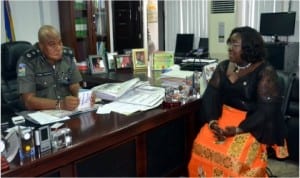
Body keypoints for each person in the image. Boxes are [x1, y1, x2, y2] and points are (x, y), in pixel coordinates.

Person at [188, 26, 289, 177]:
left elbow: (266, 111)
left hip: (252, 123)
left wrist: (238, 130)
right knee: (200, 146)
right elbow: (211, 96)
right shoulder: (223, 67)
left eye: (235, 45)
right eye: (230, 44)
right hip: (223, 118)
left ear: (248, 48)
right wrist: (212, 122)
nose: (230, 48)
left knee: (232, 160)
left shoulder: (265, 72)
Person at [17, 25, 94, 111]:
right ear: (41, 46)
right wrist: (60, 104)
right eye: (52, 44)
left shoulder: (67, 56)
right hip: (41, 114)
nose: (58, 48)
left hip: (66, 112)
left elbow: (74, 85)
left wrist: (84, 97)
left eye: (60, 43)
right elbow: (28, 101)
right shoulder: (25, 62)